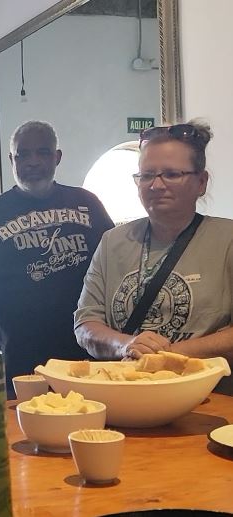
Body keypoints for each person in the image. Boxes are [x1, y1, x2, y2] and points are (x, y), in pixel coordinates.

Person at [75, 121, 233, 391]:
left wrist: (166, 355)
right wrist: (125, 344)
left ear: (201, 182)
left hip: (206, 398)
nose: (156, 185)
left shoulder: (226, 239)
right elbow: (86, 324)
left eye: (171, 174)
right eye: (147, 175)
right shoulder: (113, 242)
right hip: (124, 395)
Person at [0, 120, 114, 392]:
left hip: (82, 352)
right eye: (23, 154)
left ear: (57, 157)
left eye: (42, 152)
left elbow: (114, 269)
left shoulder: (87, 203)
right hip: (16, 356)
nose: (32, 162)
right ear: (11, 159)